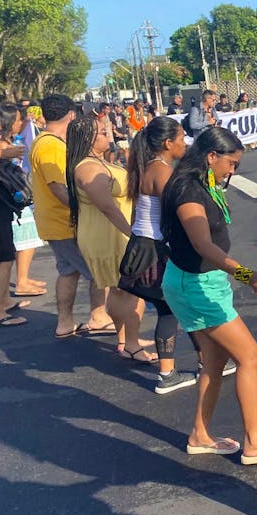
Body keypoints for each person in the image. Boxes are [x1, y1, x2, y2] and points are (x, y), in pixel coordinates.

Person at [160, 127, 257, 463]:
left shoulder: (199, 183)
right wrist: (248, 275)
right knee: (249, 356)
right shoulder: (188, 190)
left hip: (203, 281)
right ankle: (255, 441)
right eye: (231, 163)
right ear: (211, 157)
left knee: (217, 359)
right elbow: (202, 244)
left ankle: (200, 434)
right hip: (195, 285)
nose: (232, 171)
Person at [121, 117, 198, 393]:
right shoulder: (161, 171)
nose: (184, 142)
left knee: (173, 308)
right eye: (180, 138)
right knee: (179, 306)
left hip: (144, 246)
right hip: (156, 251)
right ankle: (176, 372)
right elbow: (178, 212)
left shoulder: (148, 167)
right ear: (168, 143)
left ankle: (184, 368)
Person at [66, 115, 151, 360]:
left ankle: (126, 340)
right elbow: (108, 207)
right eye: (103, 133)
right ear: (89, 139)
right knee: (131, 289)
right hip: (110, 236)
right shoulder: (88, 168)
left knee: (119, 289)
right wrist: (133, 234)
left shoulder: (97, 162)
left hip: (114, 233)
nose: (108, 135)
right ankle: (132, 344)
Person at [29, 94, 114, 339]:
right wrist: (83, 210)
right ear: (70, 115)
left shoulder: (43, 141)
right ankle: (99, 317)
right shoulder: (52, 145)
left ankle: (65, 322)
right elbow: (58, 186)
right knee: (99, 269)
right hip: (65, 222)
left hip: (56, 222)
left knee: (68, 271)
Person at [0, 107, 29, 327]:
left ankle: (3, 301)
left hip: (1, 208)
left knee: (6, 257)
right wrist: (3, 153)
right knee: (3, 259)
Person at [9, 104, 47, 299]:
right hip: (13, 196)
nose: (21, 123)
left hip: (19, 192)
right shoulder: (5, 143)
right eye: (18, 120)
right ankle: (21, 281)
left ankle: (23, 277)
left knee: (26, 238)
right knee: (23, 238)